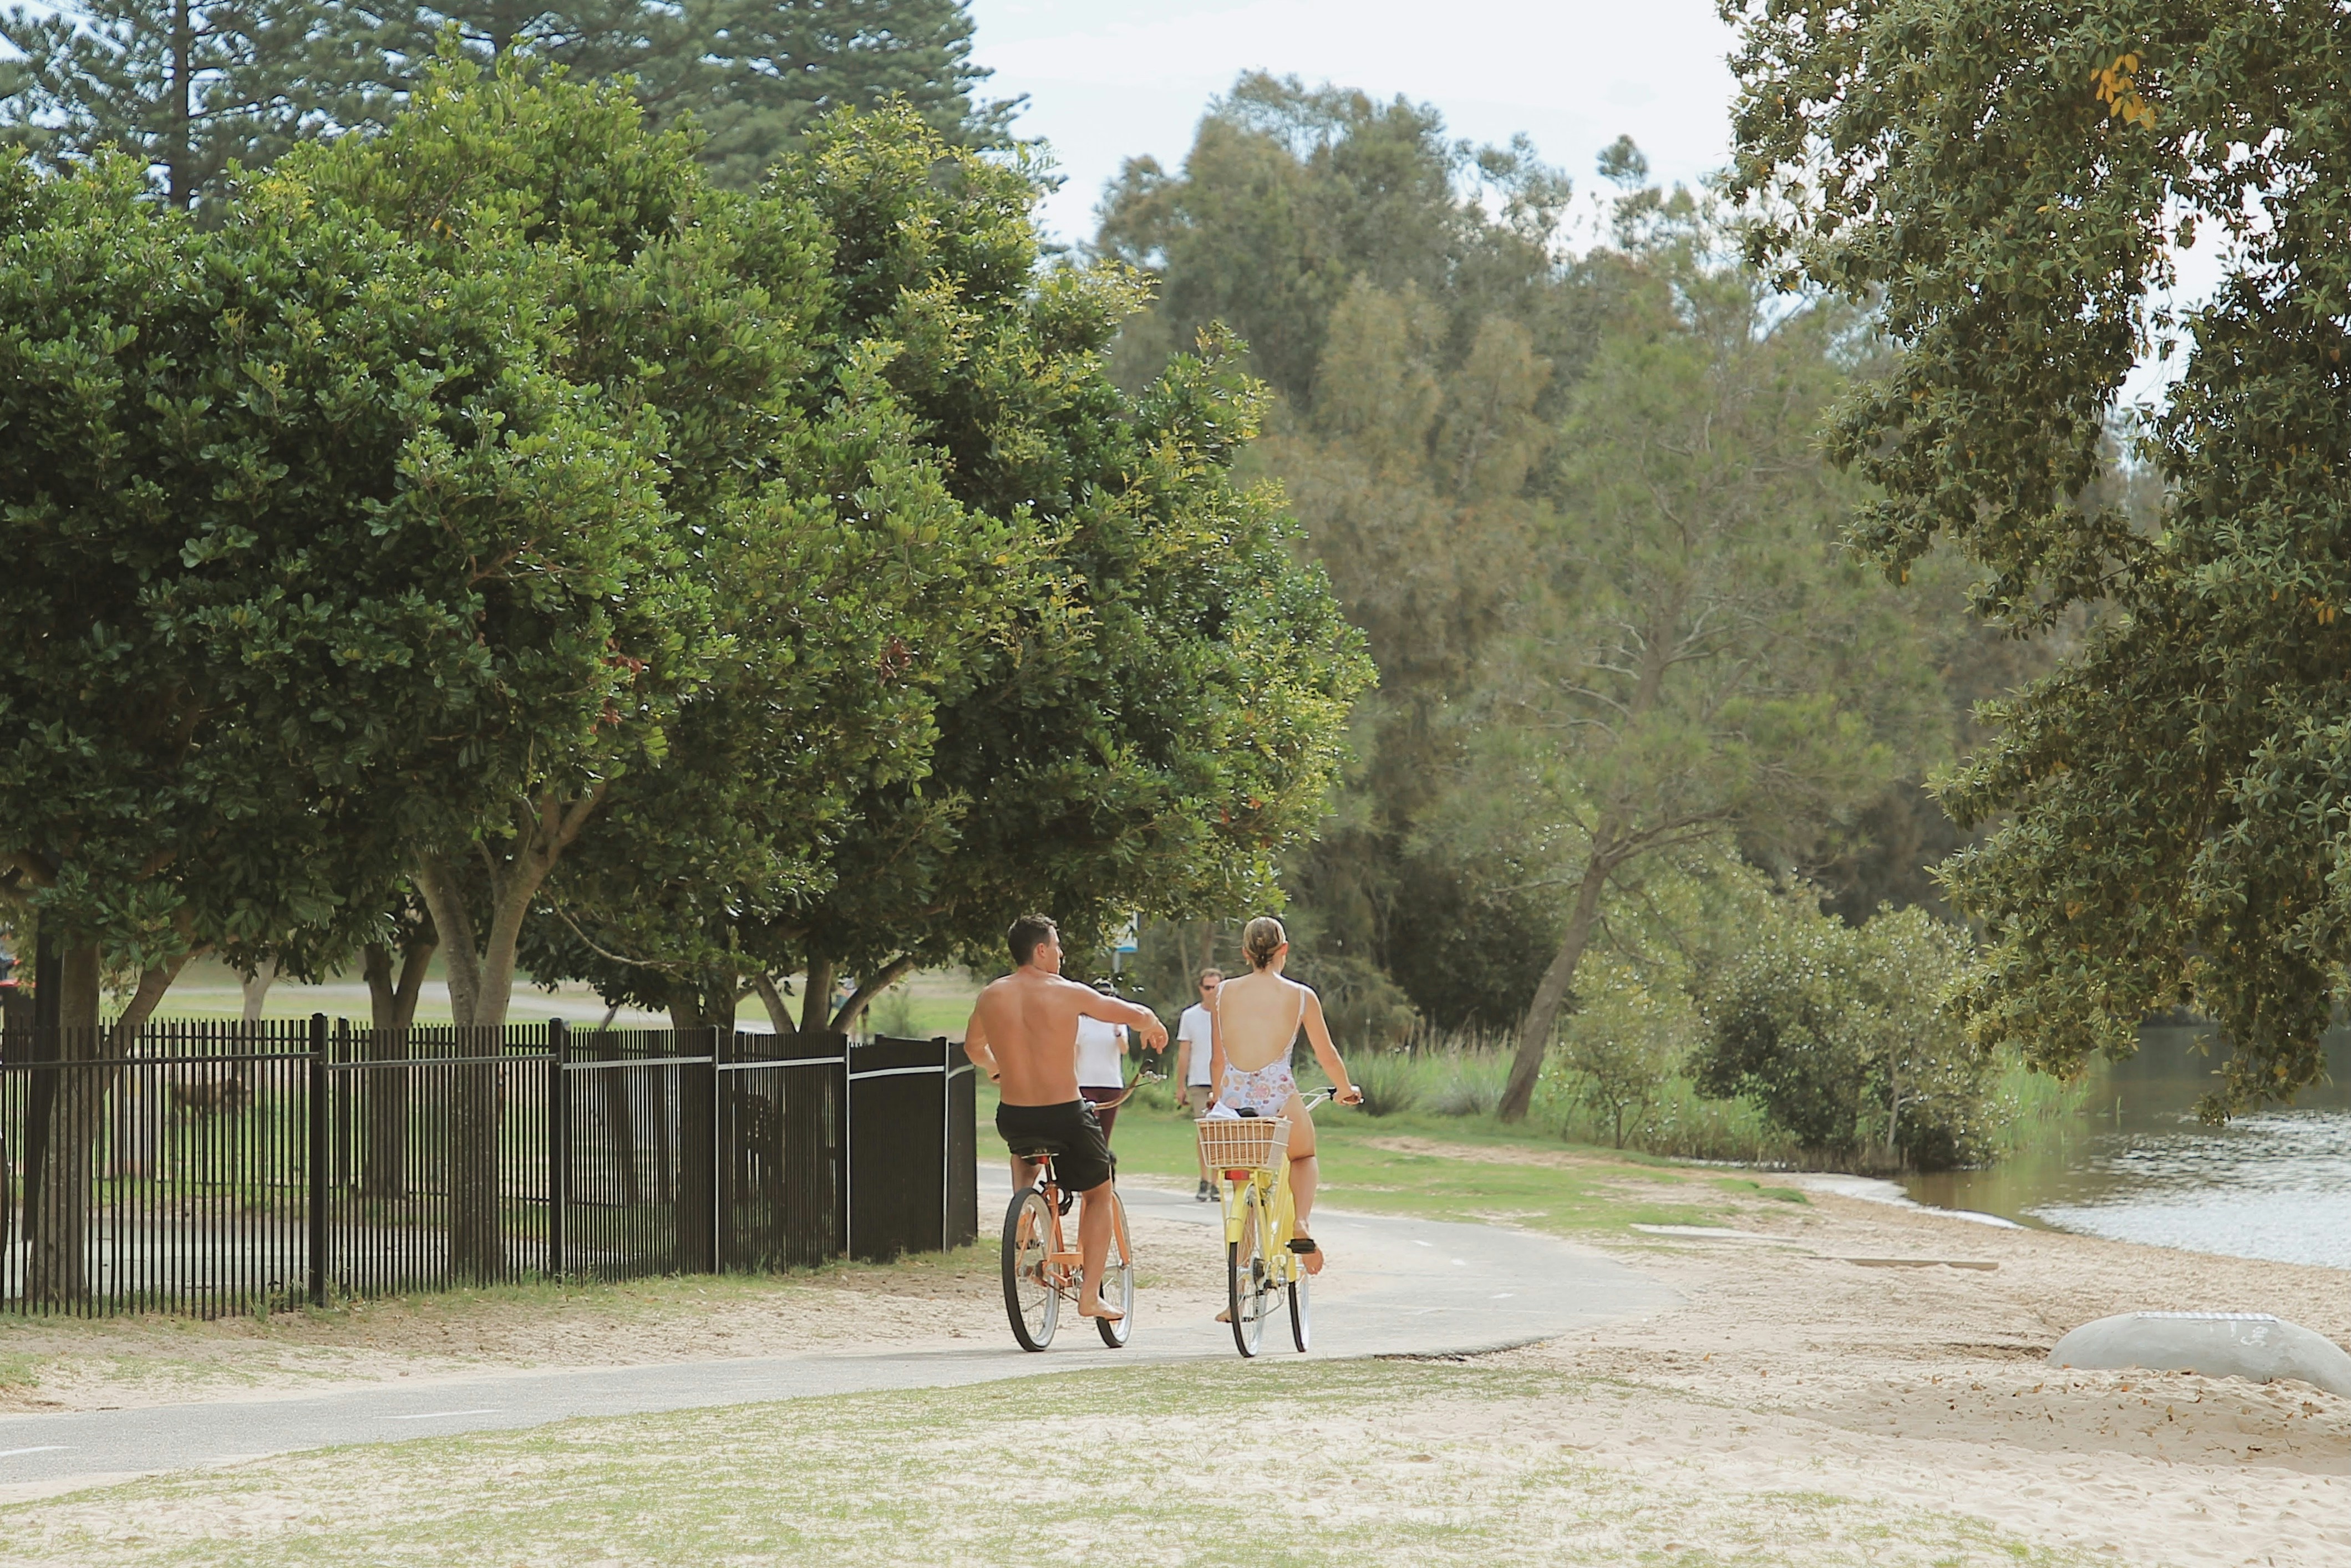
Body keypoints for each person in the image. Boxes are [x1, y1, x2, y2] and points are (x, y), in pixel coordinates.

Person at [963, 914, 1167, 1322]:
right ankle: (1090, 1294)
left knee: (1023, 1148)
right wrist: (1153, 1023)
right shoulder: (1067, 992)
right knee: (1099, 1192)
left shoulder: (990, 995)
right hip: (1064, 1114)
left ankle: (1024, 1212)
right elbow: (1128, 1013)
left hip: (1015, 1115)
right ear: (1040, 950)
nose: (1061, 953)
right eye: (1057, 946)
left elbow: (972, 1047)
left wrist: (996, 1068)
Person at [1208, 917, 1362, 1274]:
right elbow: (1328, 1055)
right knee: (1304, 1155)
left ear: (1246, 953)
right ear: (1284, 951)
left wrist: (1219, 1099)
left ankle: (1241, 1279)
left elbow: (1217, 1059)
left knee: (1242, 1180)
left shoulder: (1222, 992)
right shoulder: (1301, 996)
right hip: (1277, 1093)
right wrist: (1345, 1089)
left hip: (1233, 1097)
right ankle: (1302, 1223)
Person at [1174, 968, 1222, 1200]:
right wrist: (1180, 1086)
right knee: (1204, 1130)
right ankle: (1204, 1179)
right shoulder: (1190, 1016)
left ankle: (1216, 1182)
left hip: (1223, 1081)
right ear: (1201, 989)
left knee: (1221, 1132)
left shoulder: (1229, 1015)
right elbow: (1184, 1053)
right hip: (1199, 1080)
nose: (1211, 992)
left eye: (1216, 987)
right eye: (1207, 988)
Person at [1075, 980, 1131, 1141]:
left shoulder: (1119, 1021)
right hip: (1086, 1082)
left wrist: (1118, 1033)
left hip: (1111, 1083)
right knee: (1089, 1130)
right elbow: (1075, 1051)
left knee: (1105, 1134)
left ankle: (1103, 1164)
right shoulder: (1082, 1022)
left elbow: (1124, 1049)